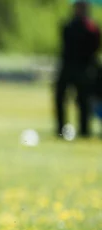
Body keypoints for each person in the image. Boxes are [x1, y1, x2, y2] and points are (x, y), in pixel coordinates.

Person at [55, 0, 100, 138]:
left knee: (83, 100)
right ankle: (61, 129)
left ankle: (84, 130)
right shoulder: (68, 26)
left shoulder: (92, 28)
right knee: (60, 97)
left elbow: (95, 48)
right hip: (68, 66)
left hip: (84, 68)